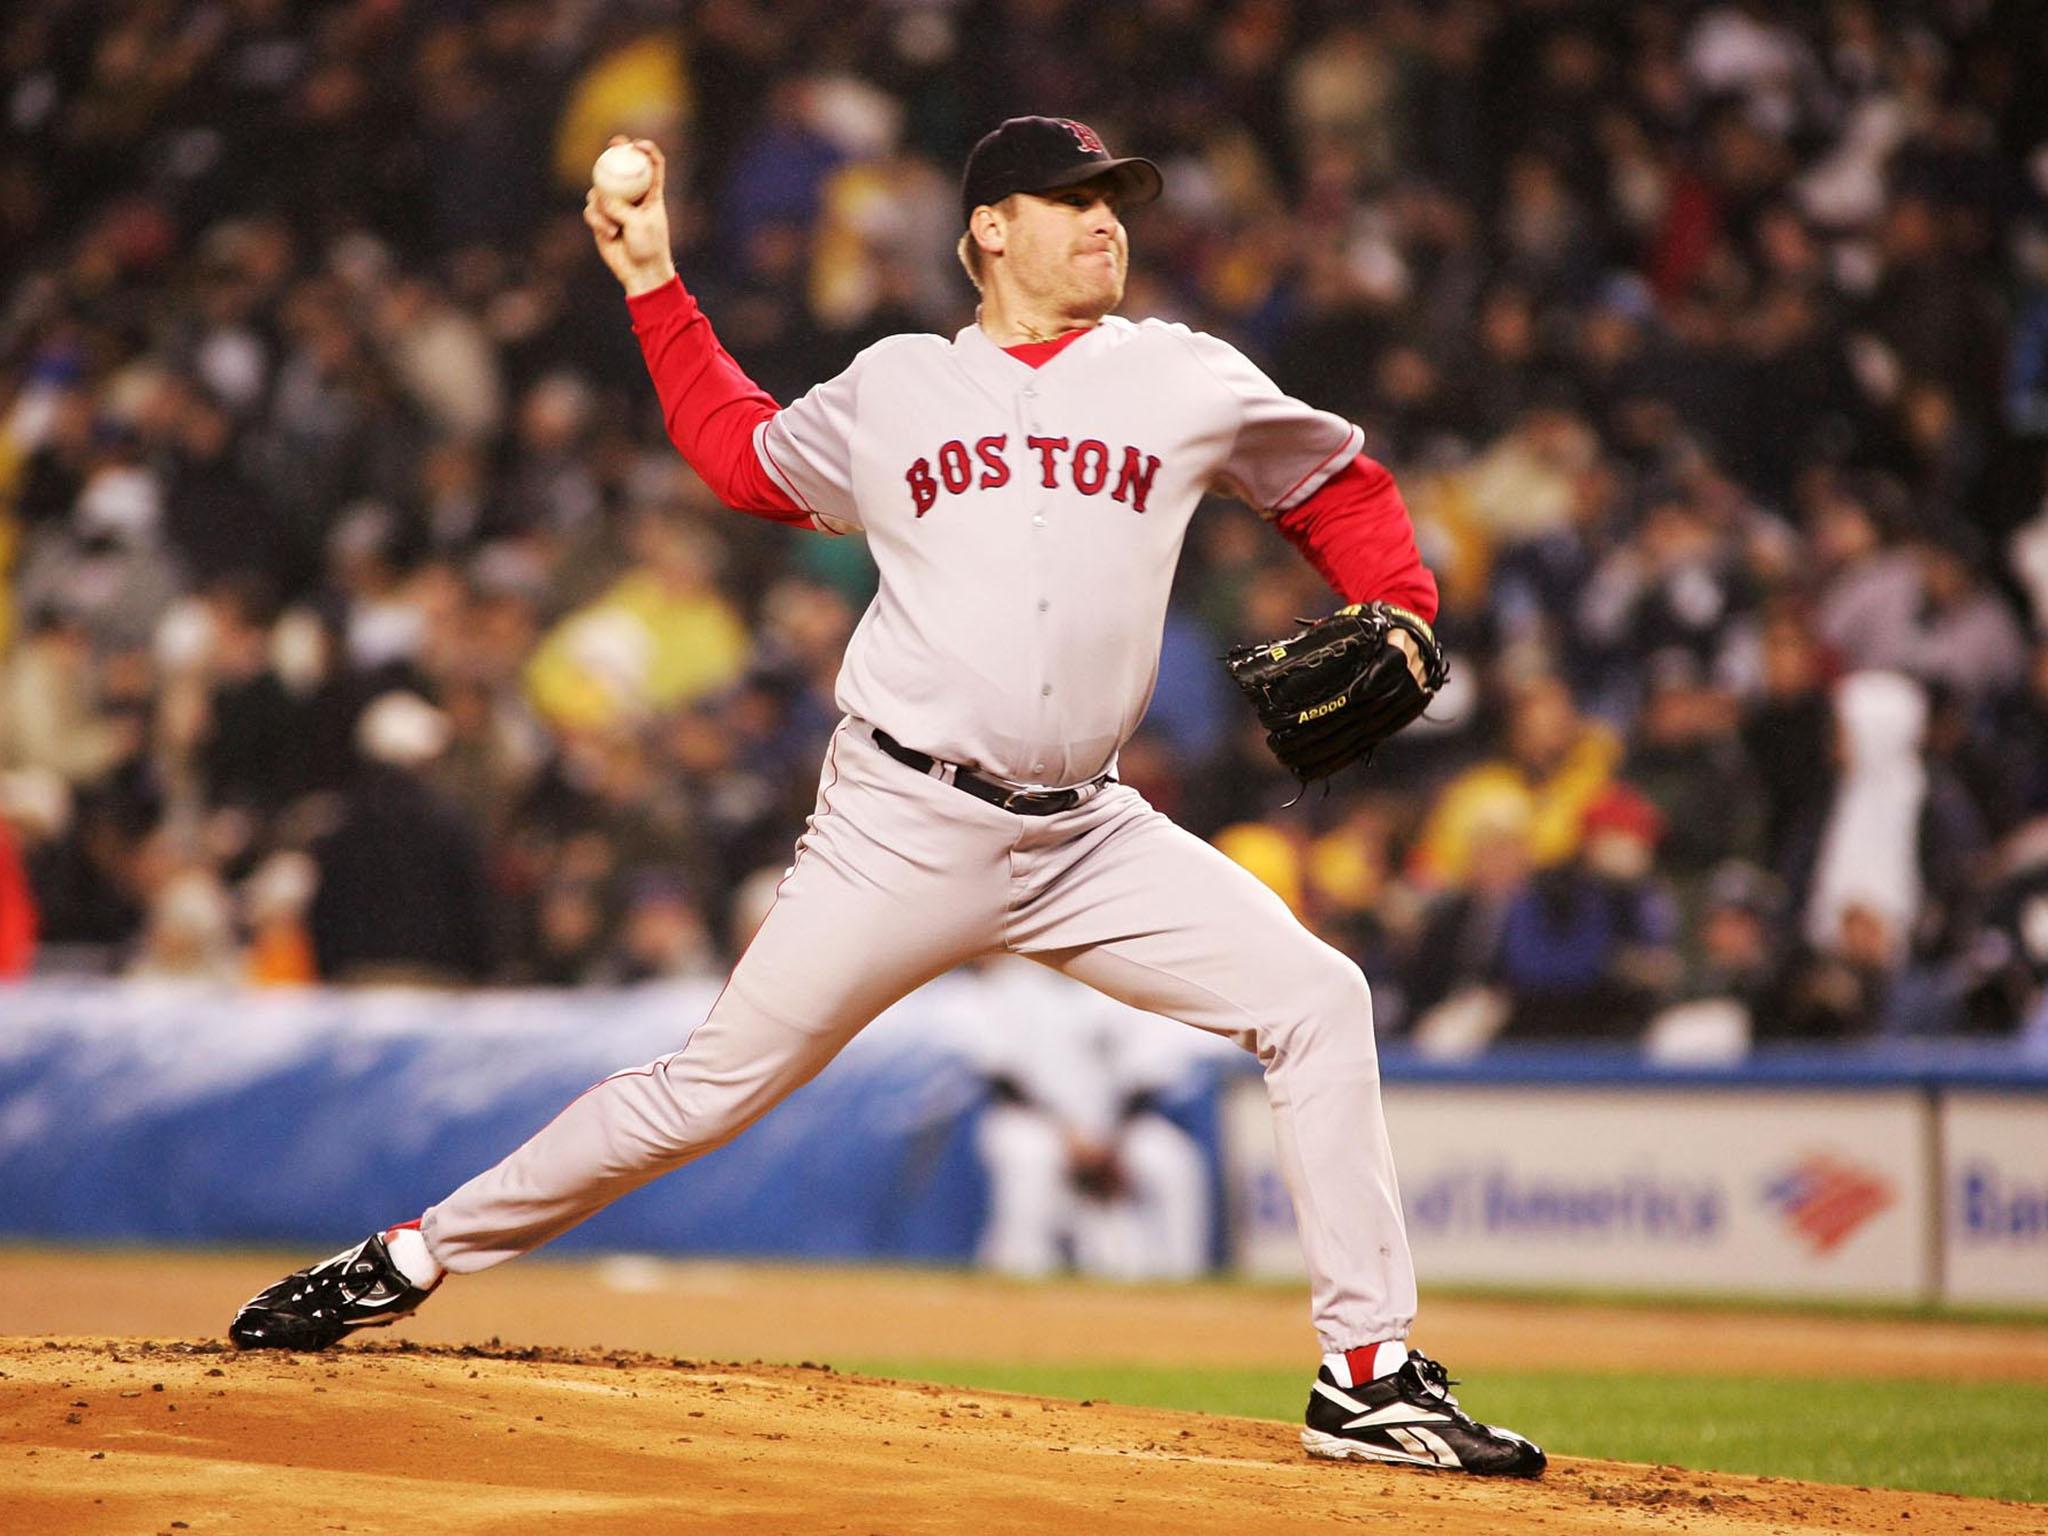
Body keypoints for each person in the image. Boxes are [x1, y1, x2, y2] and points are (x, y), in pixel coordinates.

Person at [228, 118, 1544, 1479]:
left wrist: (1401, 602)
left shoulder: (1182, 375)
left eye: (1119, 202)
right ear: (989, 229)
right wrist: (654, 284)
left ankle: (1370, 1377)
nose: (1109, 222)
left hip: (1089, 832)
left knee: (1317, 999)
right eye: (1075, 200)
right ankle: (410, 1256)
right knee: (707, 1091)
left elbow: (1336, 482)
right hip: (900, 822)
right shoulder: (899, 384)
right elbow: (740, 457)